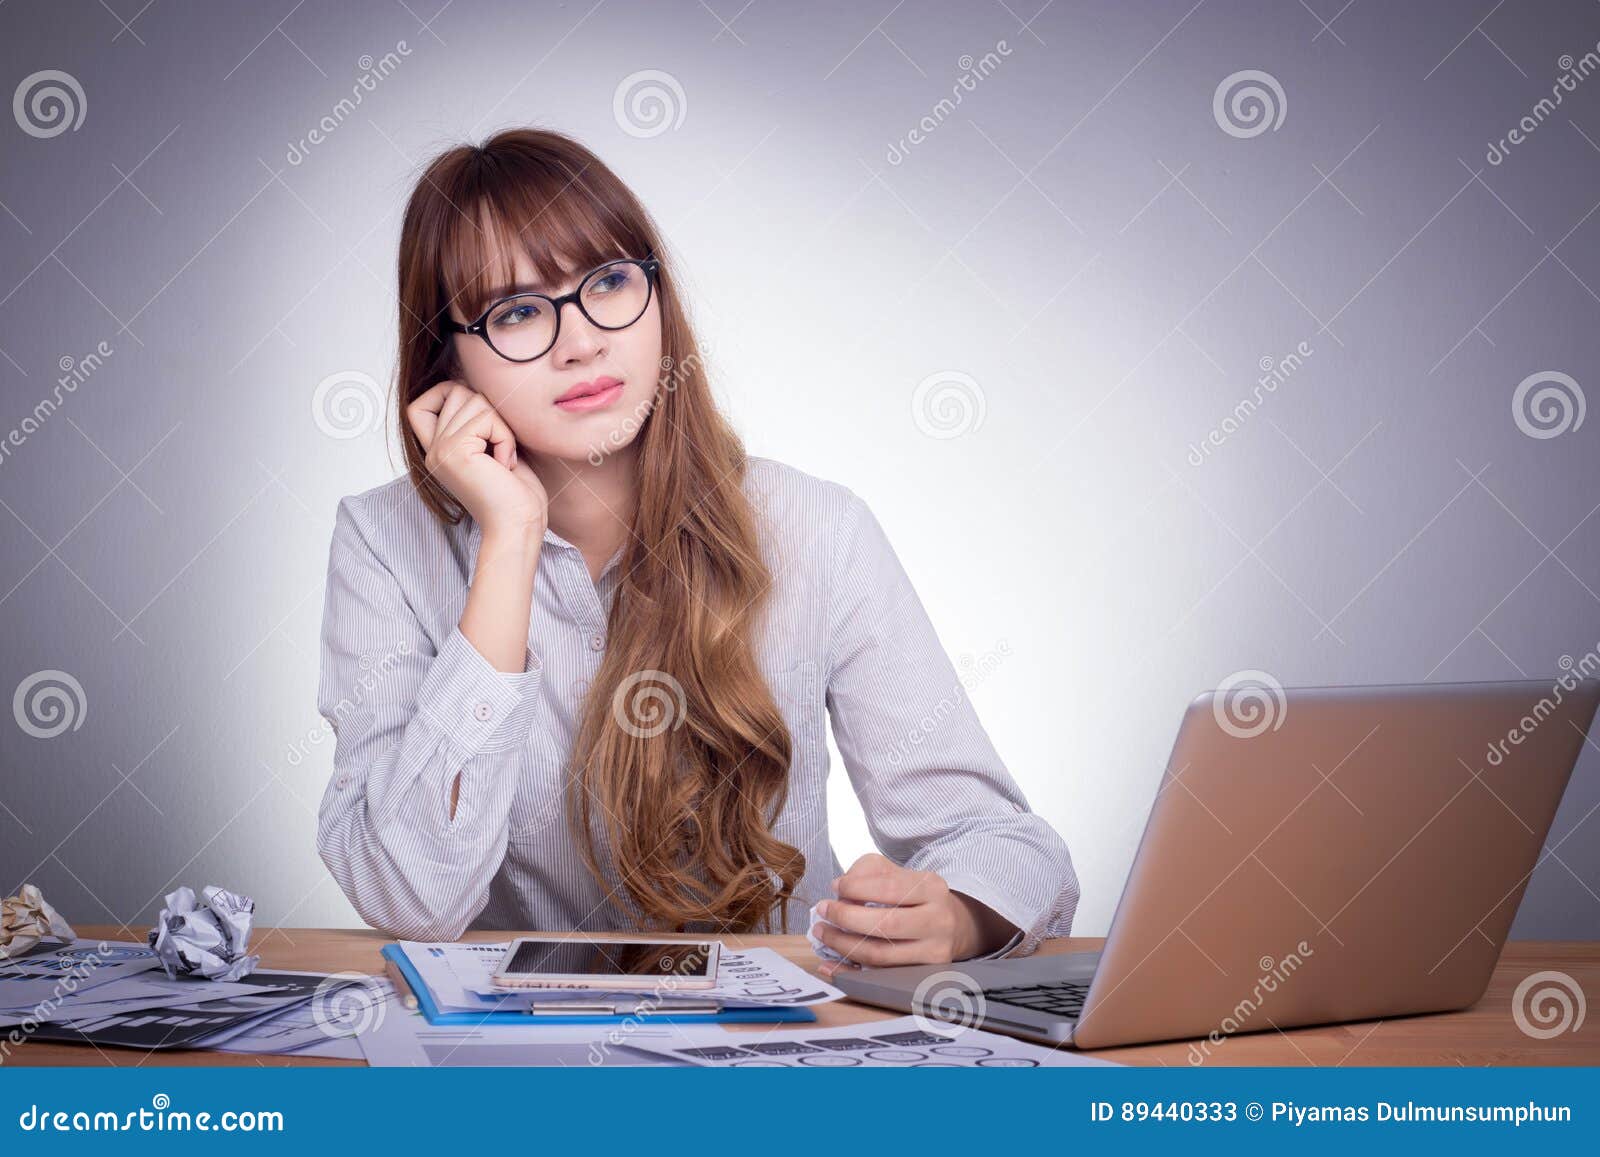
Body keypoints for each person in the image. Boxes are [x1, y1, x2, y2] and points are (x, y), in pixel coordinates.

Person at [314, 128, 1078, 972]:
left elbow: (1005, 843)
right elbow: (411, 894)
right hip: (523, 1073)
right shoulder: (384, 541)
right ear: (445, 357)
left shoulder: (816, 527)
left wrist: (960, 918)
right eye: (518, 311)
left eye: (606, 282)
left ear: (656, 295)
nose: (582, 342)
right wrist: (511, 537)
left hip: (769, 1062)